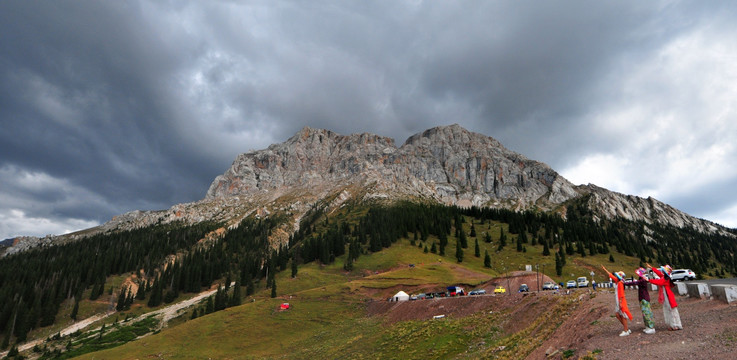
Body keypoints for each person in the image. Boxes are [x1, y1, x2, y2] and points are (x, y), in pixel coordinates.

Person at [647, 263, 683, 330]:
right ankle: (672, 324)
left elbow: (659, 282)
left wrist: (649, 280)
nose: (662, 271)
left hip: (668, 296)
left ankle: (675, 325)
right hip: (666, 295)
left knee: (671, 310)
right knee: (668, 310)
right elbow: (659, 274)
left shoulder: (666, 279)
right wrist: (652, 268)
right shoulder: (665, 276)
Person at [602, 265, 633, 336]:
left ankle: (626, 330)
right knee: (618, 314)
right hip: (618, 300)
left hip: (620, 300)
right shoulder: (617, 281)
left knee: (622, 315)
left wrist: (621, 302)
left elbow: (621, 293)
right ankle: (626, 329)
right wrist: (605, 269)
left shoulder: (620, 283)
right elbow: (610, 275)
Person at [624, 268, 656, 334]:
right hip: (642, 298)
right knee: (644, 313)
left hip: (644, 298)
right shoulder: (642, 279)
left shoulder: (642, 280)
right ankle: (647, 326)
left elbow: (635, 283)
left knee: (647, 313)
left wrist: (625, 283)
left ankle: (651, 327)